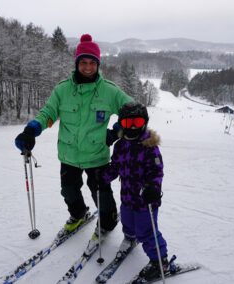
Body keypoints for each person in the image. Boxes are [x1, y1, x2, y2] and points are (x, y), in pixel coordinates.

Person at [15, 34, 132, 234]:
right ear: (77, 63)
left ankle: (109, 220)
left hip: (96, 155)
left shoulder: (109, 91)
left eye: (92, 63)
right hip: (69, 155)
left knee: (101, 194)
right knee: (68, 191)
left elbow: (134, 111)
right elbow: (48, 113)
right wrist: (31, 130)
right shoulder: (62, 90)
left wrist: (116, 132)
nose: (88, 67)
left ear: (98, 64)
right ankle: (79, 214)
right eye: (83, 62)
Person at [97, 102, 174, 281]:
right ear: (121, 124)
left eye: (137, 122)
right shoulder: (120, 145)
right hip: (127, 198)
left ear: (144, 123)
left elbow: (157, 172)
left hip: (145, 201)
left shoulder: (150, 147)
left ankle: (160, 261)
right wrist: (103, 177)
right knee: (127, 221)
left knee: (146, 231)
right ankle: (130, 238)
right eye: (127, 123)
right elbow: (116, 166)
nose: (132, 127)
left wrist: (153, 188)